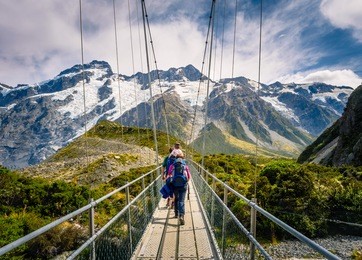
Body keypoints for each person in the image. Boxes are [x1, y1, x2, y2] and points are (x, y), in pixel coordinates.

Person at [167, 158, 191, 225]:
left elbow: (169, 175)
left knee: (176, 199)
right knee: (181, 200)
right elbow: (189, 177)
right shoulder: (185, 166)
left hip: (175, 185)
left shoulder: (172, 166)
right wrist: (186, 182)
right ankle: (181, 216)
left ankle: (176, 214)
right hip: (183, 186)